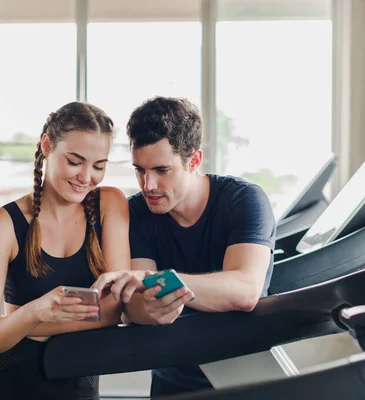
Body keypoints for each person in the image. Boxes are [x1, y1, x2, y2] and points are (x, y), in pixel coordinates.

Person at [92, 96, 276, 397]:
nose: (148, 184)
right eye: (140, 170)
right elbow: (133, 306)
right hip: (173, 376)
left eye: (161, 171)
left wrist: (160, 282)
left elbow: (245, 291)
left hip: (244, 376)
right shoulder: (137, 213)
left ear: (193, 160)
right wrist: (148, 308)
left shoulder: (244, 200)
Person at [0, 102, 131, 400]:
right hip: (5, 384)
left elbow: (114, 308)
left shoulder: (109, 205)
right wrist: (35, 311)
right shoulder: (2, 226)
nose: (86, 177)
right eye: (75, 161)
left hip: (77, 385)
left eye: (98, 166)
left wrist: (26, 325)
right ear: (47, 145)